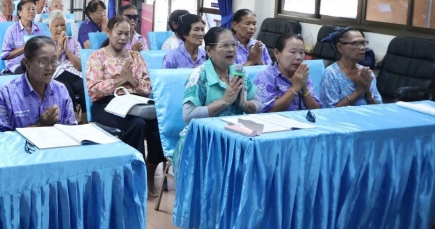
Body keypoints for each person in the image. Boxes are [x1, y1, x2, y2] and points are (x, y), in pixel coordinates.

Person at [86, 16, 163, 197]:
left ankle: (150, 171)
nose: (123, 38)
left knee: (157, 122)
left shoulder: (136, 57)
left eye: (127, 34)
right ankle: (131, 175)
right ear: (108, 32)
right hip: (107, 104)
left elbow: (147, 88)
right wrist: (120, 80)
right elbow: (93, 90)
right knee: (137, 124)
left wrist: (132, 80)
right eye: (119, 33)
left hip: (135, 102)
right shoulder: (97, 57)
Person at [172, 27, 262, 175]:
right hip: (202, 140)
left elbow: (259, 105)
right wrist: (224, 102)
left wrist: (244, 104)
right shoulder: (199, 75)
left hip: (235, 138)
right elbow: (188, 116)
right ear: (209, 50)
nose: (231, 49)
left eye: (234, 45)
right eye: (225, 45)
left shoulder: (239, 72)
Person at [0, 36, 76, 132]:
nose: (50, 68)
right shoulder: (7, 93)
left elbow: (72, 129)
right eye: (43, 62)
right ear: (27, 63)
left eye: (53, 61)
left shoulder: (61, 90)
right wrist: (39, 126)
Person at [254, 34, 321, 112]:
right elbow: (267, 111)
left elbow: (317, 110)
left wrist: (304, 88)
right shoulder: (266, 75)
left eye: (301, 52)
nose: (299, 57)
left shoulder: (302, 74)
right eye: (293, 52)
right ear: (277, 53)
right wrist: (295, 87)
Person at [320, 28, 382, 107]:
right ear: (340, 47)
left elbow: (379, 108)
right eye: (355, 43)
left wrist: (368, 92)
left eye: (363, 43)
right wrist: (358, 92)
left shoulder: (366, 73)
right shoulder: (331, 74)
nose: (362, 48)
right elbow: (329, 110)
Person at [47, 10, 84, 112]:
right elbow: (48, 66)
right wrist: (59, 48)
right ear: (48, 27)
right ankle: (71, 116)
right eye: (56, 26)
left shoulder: (74, 42)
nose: (60, 29)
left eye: (63, 25)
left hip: (74, 74)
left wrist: (66, 49)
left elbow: (80, 67)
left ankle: (85, 117)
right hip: (56, 75)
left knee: (84, 88)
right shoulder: (45, 43)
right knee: (66, 90)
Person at [2, 0, 46, 74]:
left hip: (35, 64)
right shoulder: (12, 30)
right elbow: (5, 55)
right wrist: (25, 48)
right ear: (20, 13)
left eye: (33, 9)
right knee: (30, 72)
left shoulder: (39, 29)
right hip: (16, 64)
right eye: (28, 9)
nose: (31, 11)